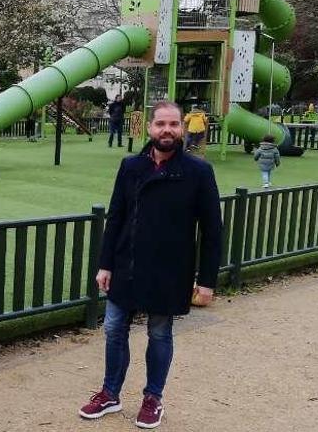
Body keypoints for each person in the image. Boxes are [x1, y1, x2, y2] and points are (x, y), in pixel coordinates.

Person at [79, 101, 222, 430]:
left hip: (170, 268)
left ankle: (152, 398)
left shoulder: (198, 172)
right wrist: (105, 265)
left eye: (173, 124)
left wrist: (208, 280)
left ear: (182, 128)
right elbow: (116, 218)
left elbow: (213, 229)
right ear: (149, 128)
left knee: (159, 333)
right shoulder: (131, 166)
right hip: (126, 263)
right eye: (161, 124)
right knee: (114, 329)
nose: (167, 130)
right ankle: (110, 392)